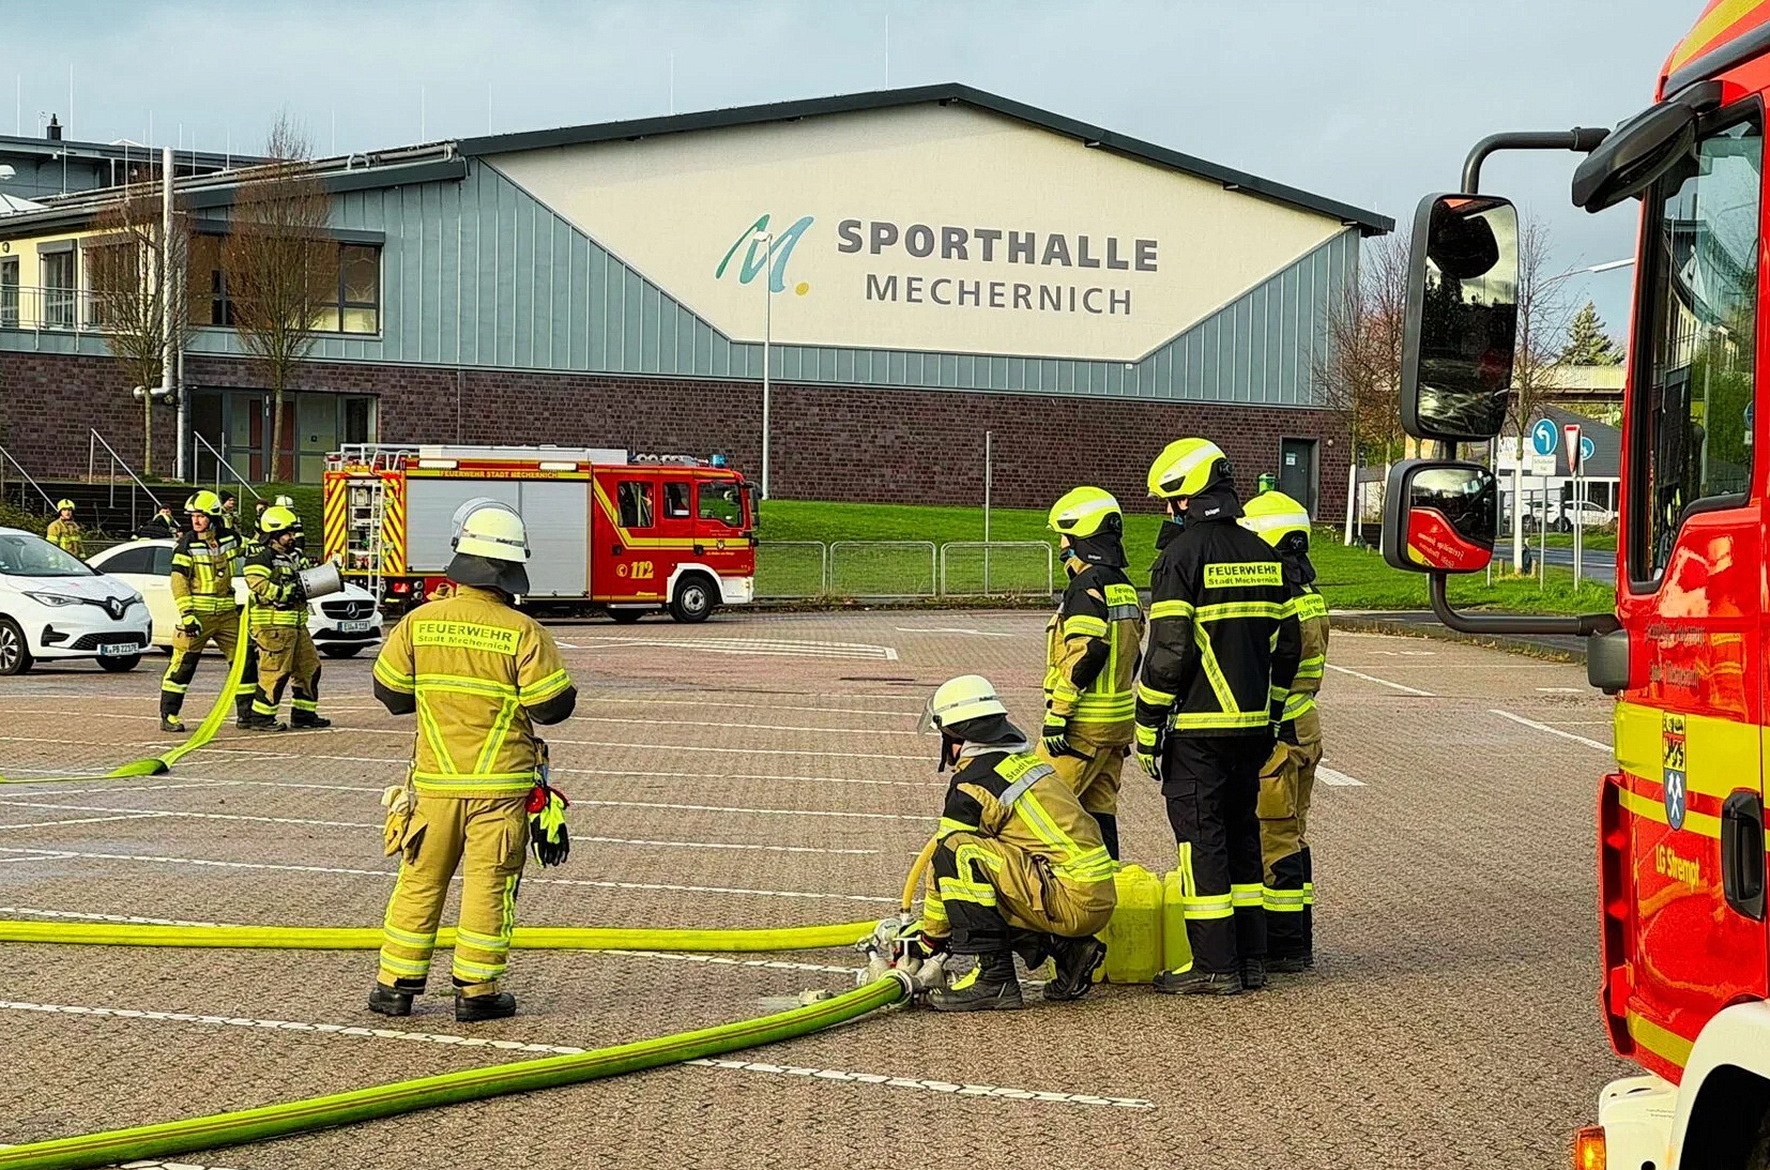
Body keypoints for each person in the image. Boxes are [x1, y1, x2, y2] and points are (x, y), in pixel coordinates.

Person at [369, 503, 577, 1022]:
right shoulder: (523, 632)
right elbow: (552, 707)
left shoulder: (419, 623)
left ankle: (395, 986)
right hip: (500, 788)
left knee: (419, 881)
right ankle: (477, 992)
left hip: (435, 786)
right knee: (489, 884)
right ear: (509, 572)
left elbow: (390, 695)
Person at [1135, 438, 1300, 996]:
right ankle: (1250, 958)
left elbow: (1169, 653)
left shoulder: (1180, 559)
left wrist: (1147, 726)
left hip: (1198, 732)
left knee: (1201, 842)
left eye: (1169, 501)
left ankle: (1213, 965)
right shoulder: (1266, 554)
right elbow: (1288, 647)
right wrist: (1272, 715)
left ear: (1185, 500)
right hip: (1254, 730)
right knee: (1242, 836)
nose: (1167, 512)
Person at [913, 674, 1117, 1012]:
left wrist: (929, 939)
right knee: (984, 876)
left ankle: (995, 981)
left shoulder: (973, 784)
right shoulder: (1023, 762)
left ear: (958, 737)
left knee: (957, 853)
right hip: (1092, 895)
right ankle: (1069, 951)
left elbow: (942, 864)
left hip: (1067, 897)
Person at [1241, 490, 1329, 972]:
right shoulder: (1309, 594)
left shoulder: (1279, 599)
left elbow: (1272, 664)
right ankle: (1297, 939)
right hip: (1305, 727)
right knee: (1293, 835)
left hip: (1279, 733)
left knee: (1272, 838)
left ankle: (1283, 945)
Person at [1038, 487, 1145, 862]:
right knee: (1100, 813)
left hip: (1082, 726)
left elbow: (1089, 650)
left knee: (1041, 807)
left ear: (1080, 537)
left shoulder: (1087, 585)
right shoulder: (1123, 586)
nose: (1062, 547)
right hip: (1115, 724)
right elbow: (1133, 657)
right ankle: (1110, 896)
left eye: (1064, 537)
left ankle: (1061, 905)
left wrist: (1059, 714)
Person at [159, 491, 255, 734]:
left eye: (201, 515)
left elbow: (253, 550)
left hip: (228, 615)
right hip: (198, 616)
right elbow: (178, 581)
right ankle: (169, 715)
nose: (196, 520)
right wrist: (187, 614)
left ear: (213, 516)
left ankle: (246, 715)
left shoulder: (230, 538)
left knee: (244, 663)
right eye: (193, 516)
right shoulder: (186, 544)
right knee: (184, 665)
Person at [241, 505, 328, 732]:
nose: (292, 537)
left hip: (297, 625)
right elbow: (258, 584)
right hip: (273, 626)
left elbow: (308, 579)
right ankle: (261, 718)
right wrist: (286, 593)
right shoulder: (260, 558)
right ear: (273, 535)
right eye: (287, 533)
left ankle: (304, 714)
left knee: (310, 667)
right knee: (275, 673)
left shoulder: (294, 557)